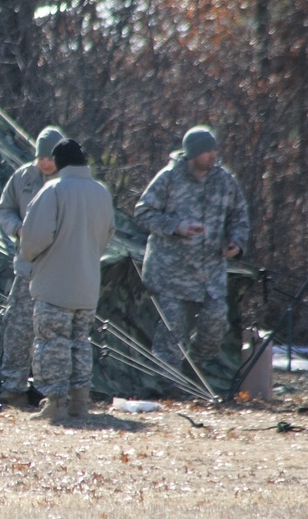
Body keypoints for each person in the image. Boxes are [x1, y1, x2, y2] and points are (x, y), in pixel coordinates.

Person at [133, 125, 250, 384]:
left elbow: (239, 217)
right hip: (171, 272)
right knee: (171, 331)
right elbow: (142, 212)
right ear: (193, 153)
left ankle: (191, 371)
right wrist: (176, 227)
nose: (213, 154)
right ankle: (165, 386)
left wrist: (237, 243)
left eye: (215, 149)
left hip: (210, 273)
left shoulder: (224, 181)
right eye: (207, 150)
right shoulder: (169, 178)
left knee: (216, 325)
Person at [20, 139, 115, 420]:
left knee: (52, 343)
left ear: (59, 163)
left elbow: (34, 238)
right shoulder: (101, 192)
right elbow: (107, 235)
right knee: (80, 342)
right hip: (88, 284)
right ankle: (80, 402)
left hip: (54, 284)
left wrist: (31, 256)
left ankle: (55, 403)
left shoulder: (54, 190)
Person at [0, 125, 65, 408]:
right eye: (41, 158)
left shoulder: (69, 182)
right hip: (26, 266)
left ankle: (52, 390)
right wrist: (18, 229)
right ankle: (13, 386)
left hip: (58, 269)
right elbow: (4, 209)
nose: (45, 163)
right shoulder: (23, 176)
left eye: (50, 158)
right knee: (18, 326)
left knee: (53, 330)